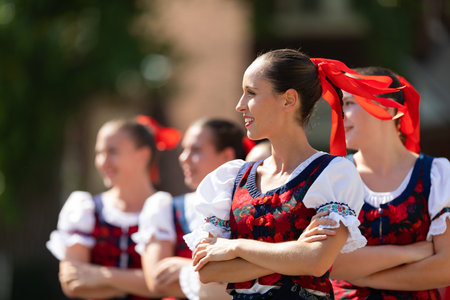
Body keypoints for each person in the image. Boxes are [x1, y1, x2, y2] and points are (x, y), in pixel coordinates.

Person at [184, 49, 403, 299]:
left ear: (288, 100)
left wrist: (235, 246)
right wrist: (295, 252)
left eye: (251, 93)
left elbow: (317, 261)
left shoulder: (332, 173)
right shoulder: (231, 178)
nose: (240, 105)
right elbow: (208, 270)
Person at [313, 66, 450, 299]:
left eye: (348, 103)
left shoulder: (437, 174)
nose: (340, 113)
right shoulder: (334, 175)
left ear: (386, 108)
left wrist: (364, 275)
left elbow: (445, 268)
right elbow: (327, 263)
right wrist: (414, 252)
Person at [46, 115, 181, 300]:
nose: (103, 161)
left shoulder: (167, 210)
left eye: (112, 151)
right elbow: (72, 283)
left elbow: (165, 284)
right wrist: (139, 284)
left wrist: (97, 276)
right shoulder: (85, 208)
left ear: (143, 155)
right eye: (99, 153)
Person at [132, 118, 253, 300]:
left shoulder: (251, 208)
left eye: (195, 150)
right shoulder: (167, 208)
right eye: (184, 150)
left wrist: (187, 269)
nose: (183, 158)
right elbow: (158, 281)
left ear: (227, 156)